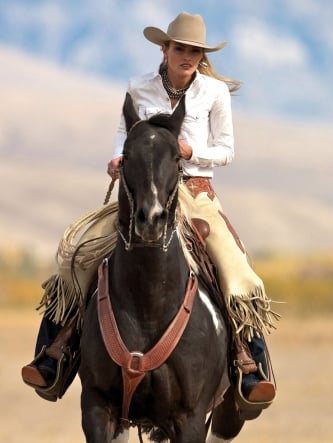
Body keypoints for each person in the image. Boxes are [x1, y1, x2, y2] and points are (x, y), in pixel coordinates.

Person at [22, 11, 278, 407]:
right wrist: (116, 158)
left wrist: (192, 152)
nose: (188, 56)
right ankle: (54, 353)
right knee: (77, 256)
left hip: (194, 192)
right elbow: (124, 134)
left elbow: (227, 151)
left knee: (238, 270)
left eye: (195, 51)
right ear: (165, 49)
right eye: (180, 48)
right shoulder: (137, 88)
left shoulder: (213, 93)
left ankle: (249, 364)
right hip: (140, 191)